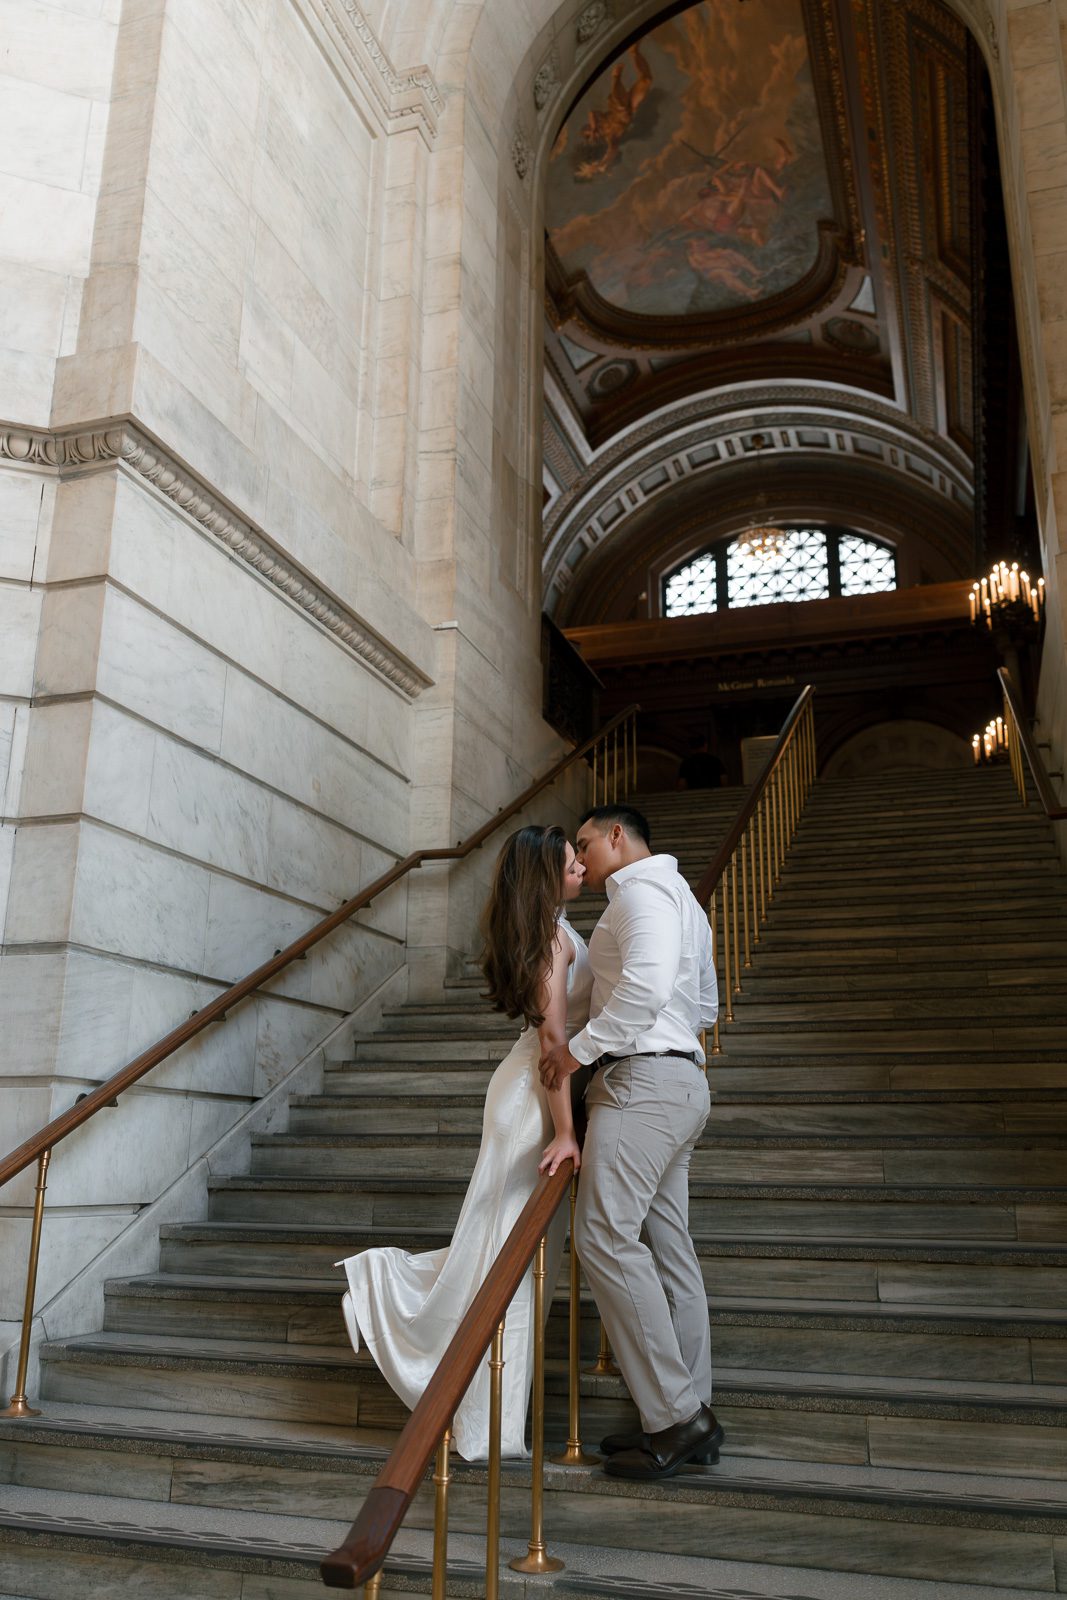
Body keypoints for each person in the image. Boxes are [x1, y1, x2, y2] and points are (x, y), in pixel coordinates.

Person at [336, 824, 592, 1461]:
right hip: (531, 1103)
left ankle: (482, 1407)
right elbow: (554, 1046)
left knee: (501, 1252)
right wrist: (565, 1131)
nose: (583, 866)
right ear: (546, 875)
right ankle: (385, 1295)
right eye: (570, 861)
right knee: (508, 1258)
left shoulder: (554, 932)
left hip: (530, 1093)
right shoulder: (552, 941)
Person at [539, 804, 720, 1482]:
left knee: (605, 1239)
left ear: (618, 835)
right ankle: (687, 1408)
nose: (580, 860)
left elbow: (643, 989)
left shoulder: (642, 892)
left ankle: (674, 1415)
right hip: (677, 1081)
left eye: (585, 843)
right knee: (668, 1247)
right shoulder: (683, 900)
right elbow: (702, 1006)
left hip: (641, 1084)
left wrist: (574, 1052)